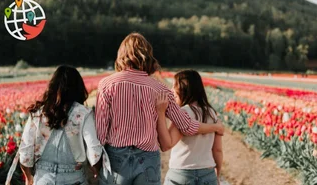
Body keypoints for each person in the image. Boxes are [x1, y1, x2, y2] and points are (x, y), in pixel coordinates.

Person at [95, 33, 224, 185]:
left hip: (116, 159)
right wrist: (215, 127)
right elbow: (187, 126)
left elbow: (101, 134)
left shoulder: (106, 85)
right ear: (147, 55)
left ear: (121, 55)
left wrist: (96, 165)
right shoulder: (159, 89)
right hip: (148, 159)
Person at [6, 65, 110, 185]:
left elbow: (25, 153)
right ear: (78, 88)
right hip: (74, 179)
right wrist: (95, 171)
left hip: (43, 179)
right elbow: (94, 152)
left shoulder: (38, 114)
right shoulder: (83, 114)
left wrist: (29, 178)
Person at [156, 70, 223, 185]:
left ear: (183, 89)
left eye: (174, 86)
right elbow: (217, 150)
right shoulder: (212, 113)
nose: (171, 91)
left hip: (181, 174)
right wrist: (217, 173)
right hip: (207, 173)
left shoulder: (183, 113)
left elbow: (168, 143)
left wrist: (160, 113)